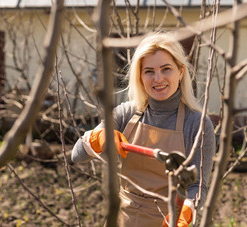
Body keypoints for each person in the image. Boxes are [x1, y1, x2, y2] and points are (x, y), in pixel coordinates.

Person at [71, 32, 215, 227]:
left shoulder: (198, 124)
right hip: (123, 217)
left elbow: (197, 185)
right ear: (140, 76)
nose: (158, 79)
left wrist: (186, 212)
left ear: (181, 72)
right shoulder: (125, 113)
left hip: (169, 219)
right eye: (149, 71)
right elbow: (76, 156)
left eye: (166, 69)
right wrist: (98, 139)